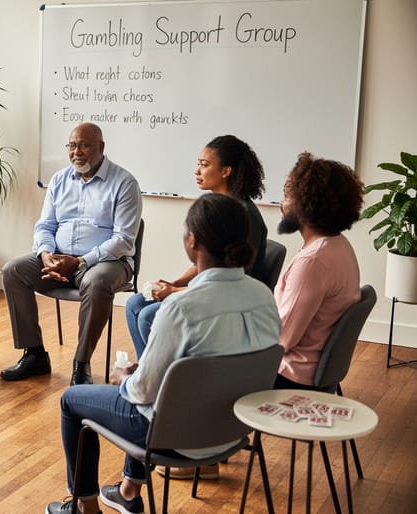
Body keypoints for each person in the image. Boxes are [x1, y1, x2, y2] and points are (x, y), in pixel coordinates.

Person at [46, 193, 281, 514]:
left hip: (177, 437)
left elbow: (142, 392)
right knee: (155, 386)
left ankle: (84, 507)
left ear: (192, 241)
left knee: (72, 400)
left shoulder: (181, 309)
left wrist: (124, 378)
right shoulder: (265, 297)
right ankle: (128, 492)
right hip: (235, 431)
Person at [0, 122, 142, 386]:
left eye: (84, 145)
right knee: (13, 271)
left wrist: (79, 261)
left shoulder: (124, 183)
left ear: (100, 147)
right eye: (72, 145)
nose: (77, 151)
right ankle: (34, 354)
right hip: (59, 258)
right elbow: (45, 226)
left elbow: (123, 240)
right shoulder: (59, 179)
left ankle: (81, 363)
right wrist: (45, 254)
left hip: (108, 263)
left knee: (96, 282)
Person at [125, 135, 269, 360]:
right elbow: (204, 262)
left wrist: (174, 292)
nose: (197, 171)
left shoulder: (243, 216)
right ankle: (148, 372)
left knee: (148, 316)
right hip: (210, 289)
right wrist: (176, 283)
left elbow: (225, 286)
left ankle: (161, 382)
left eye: (204, 165)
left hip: (229, 302)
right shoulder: (217, 207)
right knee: (135, 303)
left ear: (225, 171)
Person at [274, 152, 363, 389]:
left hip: (290, 375)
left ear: (306, 205)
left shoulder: (312, 263)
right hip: (314, 369)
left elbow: (282, 339)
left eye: (286, 196)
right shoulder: (338, 245)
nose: (282, 204)